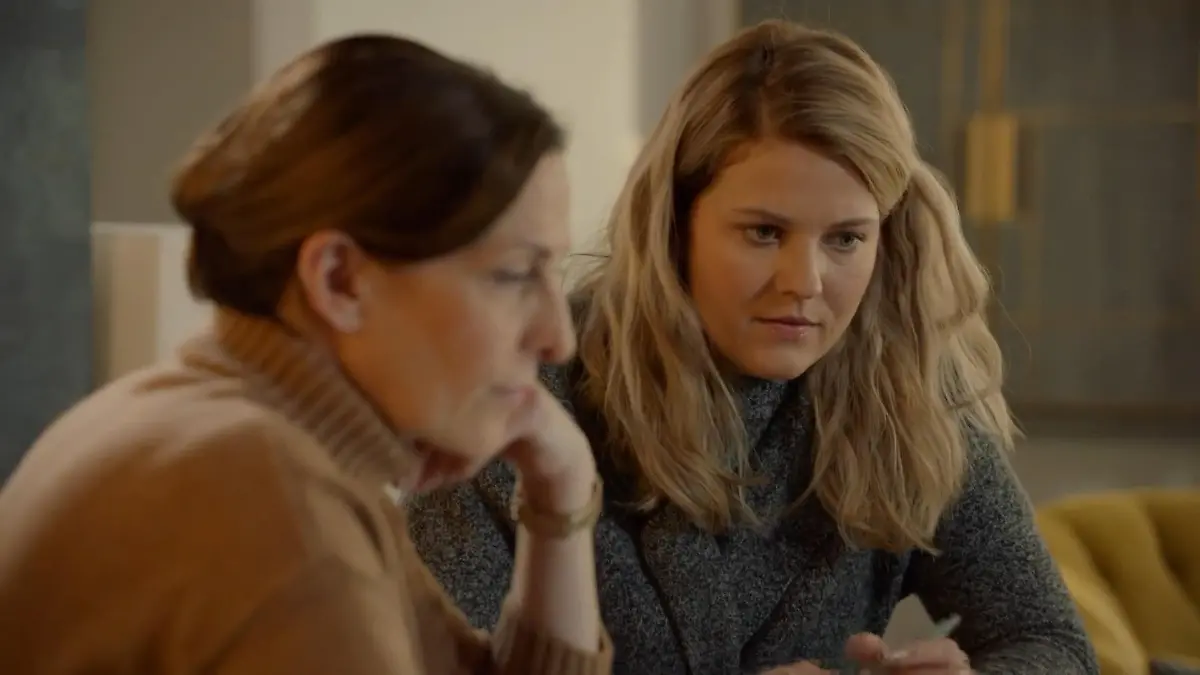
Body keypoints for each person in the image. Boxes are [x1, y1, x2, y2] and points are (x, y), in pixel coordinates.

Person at [409, 20, 1099, 675]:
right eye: (764, 233)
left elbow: (1053, 643)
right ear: (675, 226)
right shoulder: (523, 398)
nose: (805, 283)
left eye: (846, 239)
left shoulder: (905, 394)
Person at [0, 34, 611, 675]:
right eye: (514, 275)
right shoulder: (266, 496)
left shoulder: (246, 436)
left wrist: (559, 494)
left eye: (553, 273)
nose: (557, 338)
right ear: (339, 280)